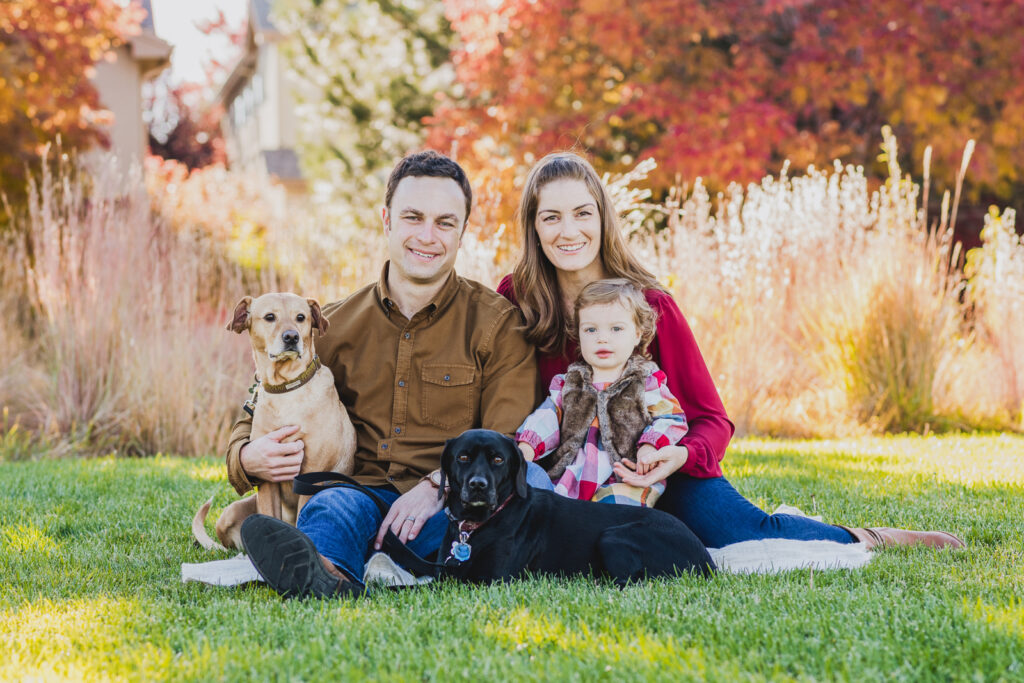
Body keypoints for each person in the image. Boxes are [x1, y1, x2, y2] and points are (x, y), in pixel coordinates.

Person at [498, 151, 964, 551]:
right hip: (564, 473)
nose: (568, 230)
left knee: (743, 535)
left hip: (657, 466)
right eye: (551, 216)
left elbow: (712, 420)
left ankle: (870, 537)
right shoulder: (516, 298)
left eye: (582, 213)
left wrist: (675, 457)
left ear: (602, 219)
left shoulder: (651, 305)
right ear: (533, 227)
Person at [228, 150, 547, 598]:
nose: (427, 236)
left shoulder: (497, 324)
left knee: (525, 490)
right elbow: (261, 401)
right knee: (329, 508)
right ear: (387, 220)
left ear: (463, 231)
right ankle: (326, 573)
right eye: (413, 217)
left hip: (450, 502)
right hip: (359, 493)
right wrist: (246, 456)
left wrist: (439, 484)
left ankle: (401, 560)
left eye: (445, 222)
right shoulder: (330, 324)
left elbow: (505, 433)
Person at [516, 279, 687, 507]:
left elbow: (671, 417)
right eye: (591, 329)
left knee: (617, 511)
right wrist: (527, 445)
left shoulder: (645, 381)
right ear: (578, 334)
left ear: (637, 334)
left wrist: (651, 445)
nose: (602, 338)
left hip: (625, 476)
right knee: (544, 502)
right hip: (573, 477)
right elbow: (547, 416)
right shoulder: (569, 383)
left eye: (616, 329)